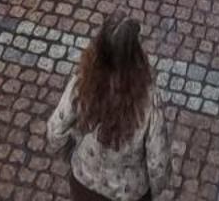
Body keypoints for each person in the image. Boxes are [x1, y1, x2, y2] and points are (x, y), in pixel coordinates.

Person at [47, 13, 173, 200]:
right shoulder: (149, 101)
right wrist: (153, 192)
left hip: (85, 187)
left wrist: (74, 156)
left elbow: (55, 130)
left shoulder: (82, 84)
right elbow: (158, 164)